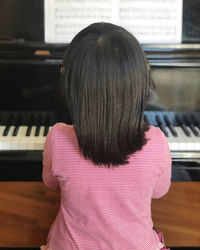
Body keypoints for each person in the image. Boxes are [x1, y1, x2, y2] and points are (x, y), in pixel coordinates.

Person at [41, 22, 171, 250]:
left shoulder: (57, 137)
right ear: (139, 82)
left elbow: (50, 184)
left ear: (72, 83)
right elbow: (160, 192)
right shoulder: (157, 142)